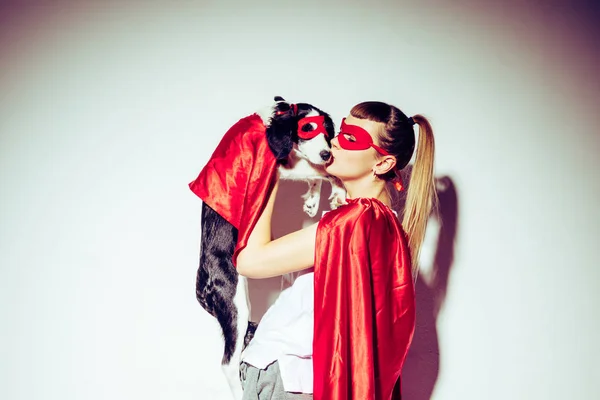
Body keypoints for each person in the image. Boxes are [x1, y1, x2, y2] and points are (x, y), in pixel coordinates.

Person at [236, 101, 436, 400]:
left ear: (382, 163)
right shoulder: (383, 223)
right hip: (296, 377)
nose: (334, 142)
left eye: (351, 138)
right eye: (340, 131)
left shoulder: (352, 222)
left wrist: (271, 168)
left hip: (287, 377)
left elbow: (250, 261)